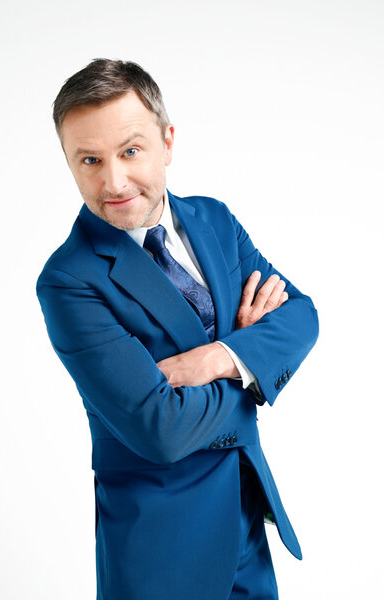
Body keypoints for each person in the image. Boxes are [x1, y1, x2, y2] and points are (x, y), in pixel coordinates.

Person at [36, 58, 319, 600]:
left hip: (246, 519)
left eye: (130, 151)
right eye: (89, 160)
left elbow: (302, 315)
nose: (112, 180)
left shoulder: (214, 220)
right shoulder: (70, 280)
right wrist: (252, 366)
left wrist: (217, 358)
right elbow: (159, 431)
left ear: (168, 141)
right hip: (161, 551)